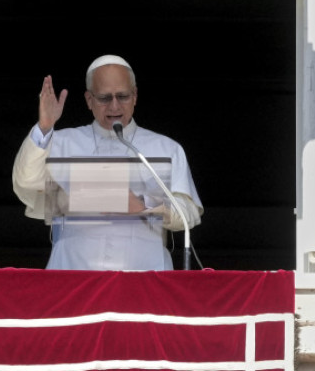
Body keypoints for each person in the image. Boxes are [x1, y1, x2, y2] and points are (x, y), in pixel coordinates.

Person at [12, 55, 202, 270]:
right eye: (104, 98)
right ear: (89, 100)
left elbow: (189, 213)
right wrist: (44, 127)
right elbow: (26, 184)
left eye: (123, 96)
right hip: (74, 273)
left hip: (145, 276)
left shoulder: (167, 148)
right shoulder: (60, 143)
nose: (114, 106)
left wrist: (145, 205)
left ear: (135, 96)